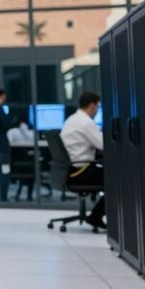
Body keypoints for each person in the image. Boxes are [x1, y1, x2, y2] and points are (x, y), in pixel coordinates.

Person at [60, 91, 106, 229]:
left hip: (73, 170)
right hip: (81, 171)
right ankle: (95, 216)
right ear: (92, 106)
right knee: (118, 180)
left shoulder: (72, 119)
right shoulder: (86, 122)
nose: (97, 110)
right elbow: (102, 144)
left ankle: (96, 215)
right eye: (97, 106)